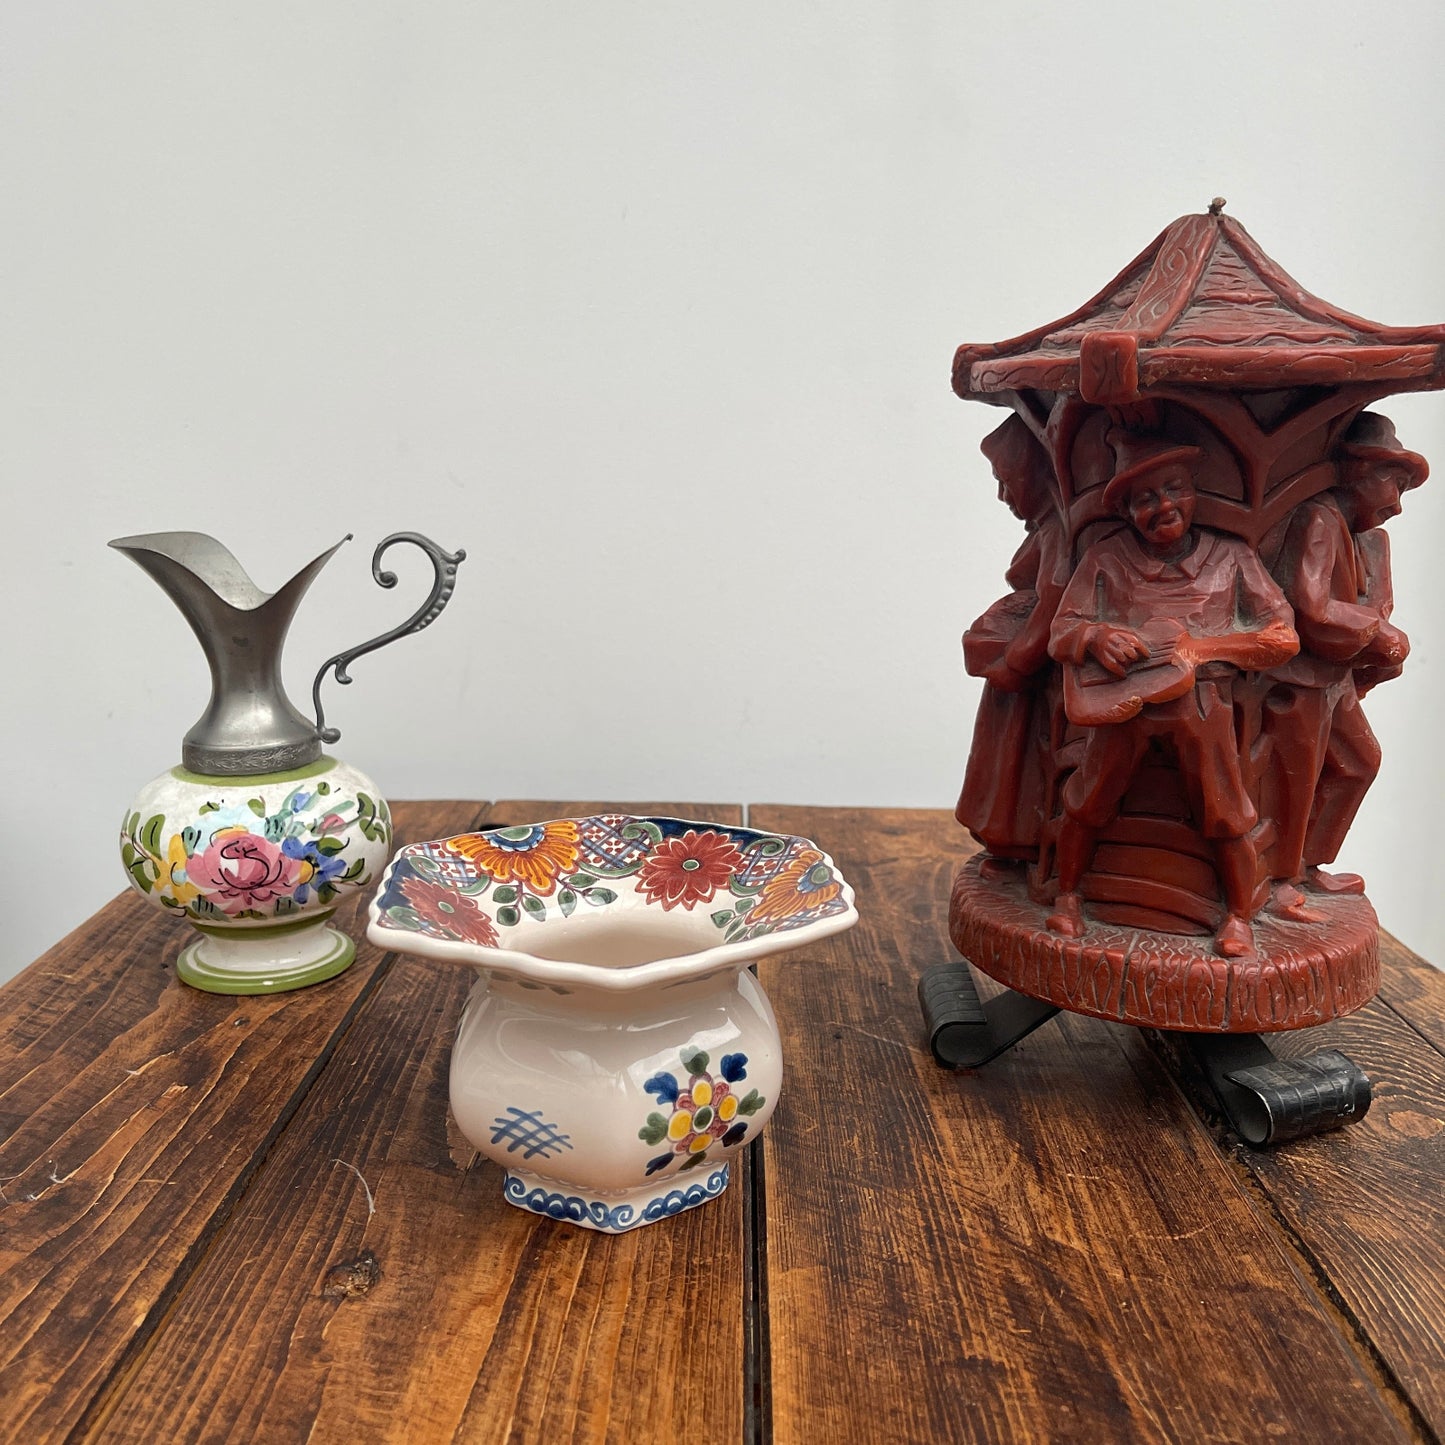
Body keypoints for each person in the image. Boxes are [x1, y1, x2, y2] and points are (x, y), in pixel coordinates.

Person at [1046, 432, 1298, 958]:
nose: (1163, 507)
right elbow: (1060, 631)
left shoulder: (1230, 558)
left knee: (1225, 809)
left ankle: (1237, 916)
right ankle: (1067, 895)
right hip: (1123, 706)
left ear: (1194, 492)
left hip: (1202, 707)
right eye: (1145, 499)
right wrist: (1094, 636)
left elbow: (1282, 637)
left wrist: (1200, 649)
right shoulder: (1106, 558)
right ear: (1127, 510)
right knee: (1090, 799)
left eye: (1174, 490)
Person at [1264, 412, 1423, 911]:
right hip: (1299, 678)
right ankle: (1279, 881)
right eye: (1393, 484)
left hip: (1334, 677)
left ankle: (1309, 865)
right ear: (1359, 472)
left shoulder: (1367, 537)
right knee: (1296, 777)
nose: (1397, 505)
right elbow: (1309, 609)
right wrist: (1375, 631)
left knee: (1358, 763)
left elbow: (1379, 605)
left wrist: (1378, 629)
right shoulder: (1318, 519)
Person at [956, 414, 1069, 873]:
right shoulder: (1045, 527)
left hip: (1031, 674)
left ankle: (1020, 843)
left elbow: (1056, 599)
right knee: (1004, 762)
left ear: (1034, 473)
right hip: (1015, 669)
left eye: (1007, 481)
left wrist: (1015, 663)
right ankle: (1009, 844)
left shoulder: (1061, 530)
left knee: (1017, 767)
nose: (1003, 495)